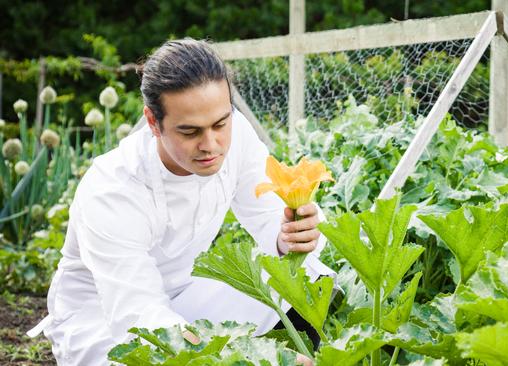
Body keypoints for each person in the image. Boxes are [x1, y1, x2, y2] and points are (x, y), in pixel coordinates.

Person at [27, 38, 333, 365]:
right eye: (190, 132)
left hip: (187, 296)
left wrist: (291, 235)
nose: (211, 144)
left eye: (220, 123)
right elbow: (138, 316)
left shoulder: (237, 135)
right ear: (152, 122)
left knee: (308, 272)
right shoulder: (113, 189)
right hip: (105, 323)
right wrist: (247, 356)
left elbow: (269, 216)